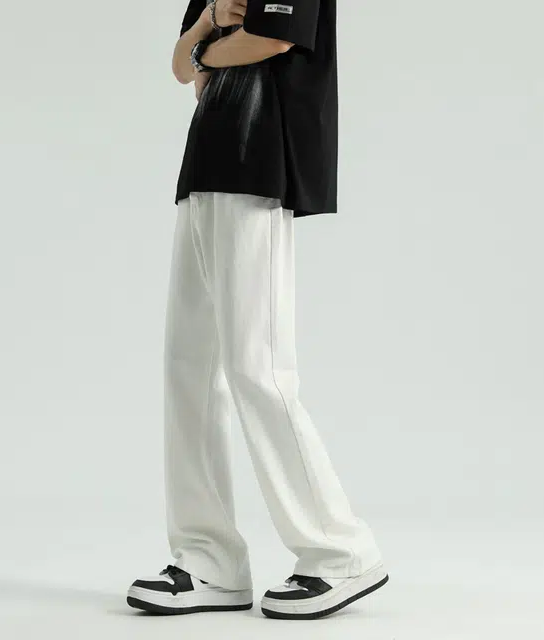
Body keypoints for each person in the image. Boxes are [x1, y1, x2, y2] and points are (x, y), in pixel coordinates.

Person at [127, 0, 389, 620]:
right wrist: (210, 27)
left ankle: (339, 551)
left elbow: (271, 40)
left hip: (259, 166)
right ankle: (209, 559)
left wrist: (208, 50)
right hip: (205, 169)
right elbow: (181, 66)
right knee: (188, 368)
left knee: (258, 366)